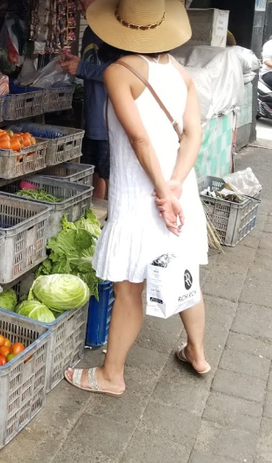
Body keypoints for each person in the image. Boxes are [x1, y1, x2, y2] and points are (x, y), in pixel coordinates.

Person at [64, 0, 210, 397]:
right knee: (183, 271)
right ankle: (197, 354)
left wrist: (163, 191)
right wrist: (177, 185)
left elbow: (139, 137)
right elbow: (194, 134)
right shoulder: (179, 72)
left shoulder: (118, 72)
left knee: (129, 287)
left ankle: (112, 375)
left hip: (143, 195)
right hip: (180, 193)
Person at [60, 0, 110, 200]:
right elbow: (92, 67)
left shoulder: (116, 34)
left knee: (110, 176)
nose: (80, 8)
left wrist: (81, 68)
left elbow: (121, 73)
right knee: (93, 172)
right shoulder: (90, 31)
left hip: (110, 121)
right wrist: (73, 64)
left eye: (83, 2)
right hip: (92, 116)